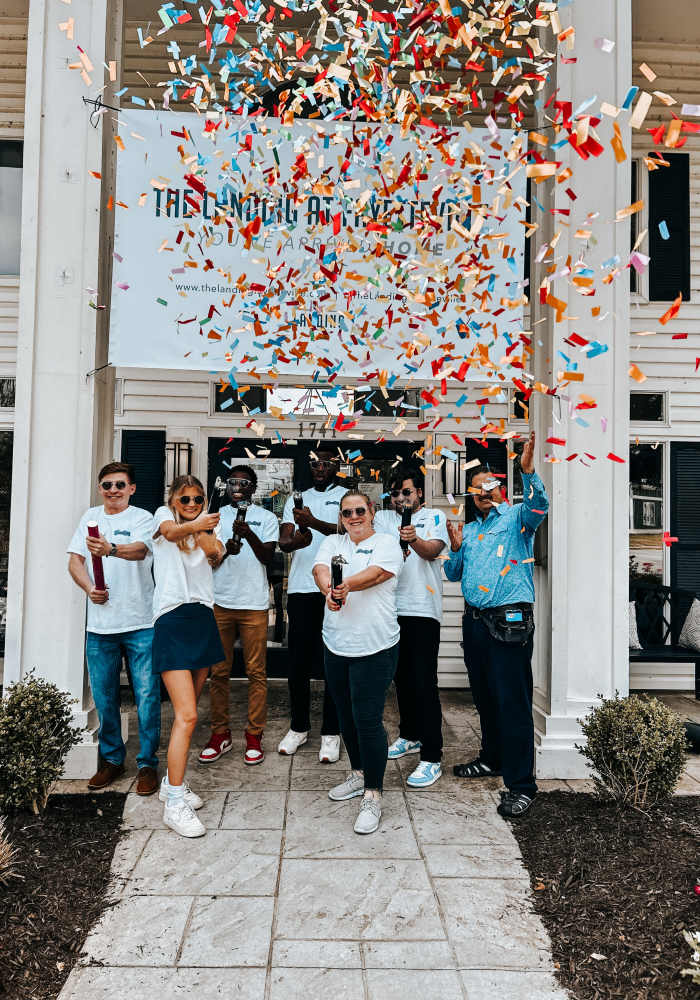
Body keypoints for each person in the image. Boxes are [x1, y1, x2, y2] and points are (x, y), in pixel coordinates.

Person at [444, 432, 548, 818]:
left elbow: (541, 507)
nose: (483, 493)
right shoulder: (470, 530)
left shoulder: (519, 519)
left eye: (490, 487)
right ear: (471, 495)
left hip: (510, 622)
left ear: (501, 489)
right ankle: (492, 759)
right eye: (477, 489)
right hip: (475, 623)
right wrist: (455, 549)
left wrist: (528, 473)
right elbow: (454, 575)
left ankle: (522, 785)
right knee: (485, 696)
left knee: (513, 703)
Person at [313, 491, 403, 835]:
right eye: (347, 512)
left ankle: (373, 794)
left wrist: (343, 586)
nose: (353, 516)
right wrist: (329, 590)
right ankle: (358, 773)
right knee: (346, 715)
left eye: (359, 510)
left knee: (367, 720)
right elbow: (320, 569)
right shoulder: (333, 543)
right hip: (336, 645)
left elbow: (379, 574)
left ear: (372, 512)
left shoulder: (386, 542)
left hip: (375, 647)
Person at [67, 462, 161, 796]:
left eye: (120, 485)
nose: (113, 491)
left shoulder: (143, 518)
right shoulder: (90, 517)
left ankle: (147, 763)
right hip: (101, 626)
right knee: (105, 697)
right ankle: (112, 760)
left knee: (148, 697)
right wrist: (89, 588)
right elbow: (74, 561)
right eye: (107, 485)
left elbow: (141, 551)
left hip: (140, 623)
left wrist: (112, 549)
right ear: (100, 488)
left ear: (131, 488)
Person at [151, 475, 224, 837]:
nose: (192, 504)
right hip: (173, 618)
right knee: (188, 715)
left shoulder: (204, 529)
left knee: (191, 710)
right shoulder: (162, 516)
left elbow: (217, 555)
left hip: (202, 616)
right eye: (186, 499)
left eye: (198, 499)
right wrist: (197, 525)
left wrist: (208, 534)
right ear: (174, 500)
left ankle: (170, 784)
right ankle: (175, 802)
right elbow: (168, 533)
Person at [374, 465, 449, 788]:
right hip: (391, 609)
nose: (400, 498)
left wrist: (414, 538)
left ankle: (432, 755)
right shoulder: (382, 519)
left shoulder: (434, 518)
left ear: (419, 492)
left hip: (421, 609)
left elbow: (433, 551)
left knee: (424, 683)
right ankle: (410, 735)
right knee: (401, 679)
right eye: (395, 493)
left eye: (406, 492)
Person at [199, 466, 279, 766]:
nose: (237, 486)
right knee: (219, 673)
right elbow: (207, 562)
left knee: (256, 673)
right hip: (219, 602)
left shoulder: (267, 518)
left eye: (244, 483)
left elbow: (268, 557)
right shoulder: (215, 518)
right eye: (232, 481)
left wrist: (250, 534)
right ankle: (220, 734)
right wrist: (227, 553)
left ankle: (254, 735)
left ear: (253, 488)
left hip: (254, 605)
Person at [278, 451, 346, 762]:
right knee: (298, 663)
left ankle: (332, 732)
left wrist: (315, 523)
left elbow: (352, 532)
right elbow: (284, 542)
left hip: (336, 586)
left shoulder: (347, 496)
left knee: (334, 660)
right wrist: (298, 541)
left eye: (327, 464)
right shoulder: (298, 498)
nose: (320, 468)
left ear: (337, 467)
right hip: (302, 588)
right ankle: (299, 727)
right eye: (316, 464)